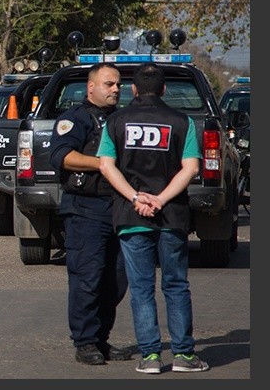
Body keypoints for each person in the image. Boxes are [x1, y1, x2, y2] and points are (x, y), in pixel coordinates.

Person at [97, 62, 208, 374]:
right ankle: (185, 356)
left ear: (133, 90)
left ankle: (150, 357)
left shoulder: (115, 121)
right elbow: (191, 168)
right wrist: (160, 199)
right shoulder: (182, 122)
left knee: (142, 287)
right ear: (163, 89)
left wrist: (135, 197)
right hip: (171, 215)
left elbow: (106, 166)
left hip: (131, 216)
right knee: (175, 284)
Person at [49, 62, 131, 365]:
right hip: (86, 208)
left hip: (120, 208)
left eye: (118, 85)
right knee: (88, 277)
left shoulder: (123, 120)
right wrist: (101, 164)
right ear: (91, 87)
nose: (115, 89)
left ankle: (101, 339)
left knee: (117, 279)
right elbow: (62, 156)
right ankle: (84, 342)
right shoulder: (75, 119)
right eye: (109, 84)